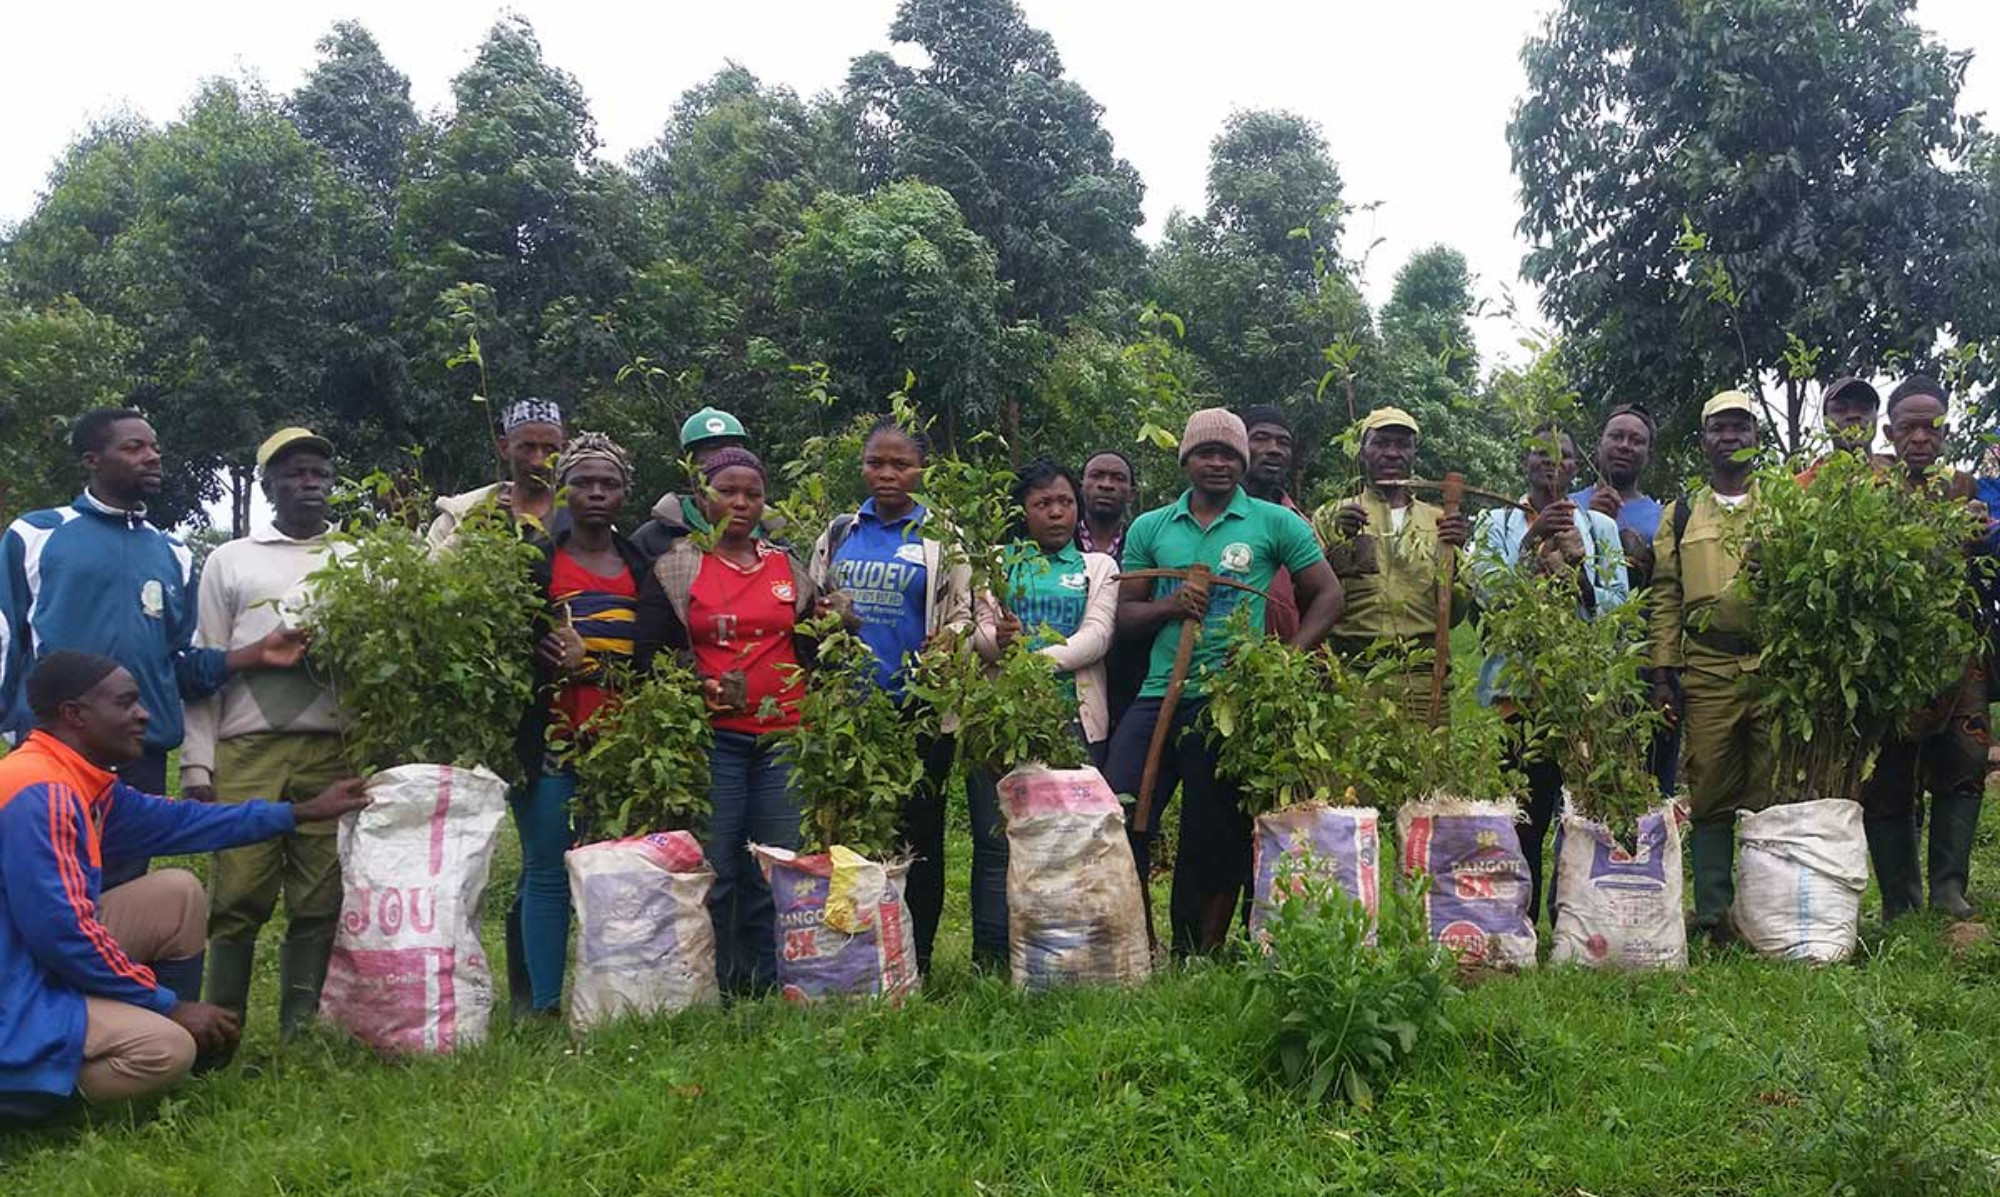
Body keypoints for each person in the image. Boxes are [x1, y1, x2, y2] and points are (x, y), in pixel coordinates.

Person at [0, 652, 368, 1120]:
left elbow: (181, 822)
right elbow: (63, 934)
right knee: (164, 1050)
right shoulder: (42, 792)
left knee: (177, 893)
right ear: (75, 715)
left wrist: (298, 812)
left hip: (24, 954)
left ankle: (160, 1044)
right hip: (13, 983)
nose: (144, 714)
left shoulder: (72, 778)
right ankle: (23, 1093)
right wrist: (170, 1007)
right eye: (127, 703)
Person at [0, 409, 306, 893]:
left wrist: (255, 654)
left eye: (155, 447)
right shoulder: (36, 536)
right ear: (92, 460)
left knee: (122, 892)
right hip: (54, 751)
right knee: (49, 888)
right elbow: (7, 640)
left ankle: (120, 969)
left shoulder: (173, 554)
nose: (152, 456)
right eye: (134, 447)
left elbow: (179, 665)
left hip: (137, 754)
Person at [1105, 409, 1343, 955]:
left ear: (1243, 463)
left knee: (1210, 837)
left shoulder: (1275, 522)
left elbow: (1328, 596)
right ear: (1186, 459)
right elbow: (1124, 616)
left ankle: (1196, 952)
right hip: (1158, 693)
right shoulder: (1151, 528)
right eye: (1206, 453)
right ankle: (1132, 940)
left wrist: (1286, 660)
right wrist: (1170, 605)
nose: (1218, 464)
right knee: (1118, 813)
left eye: (1229, 455)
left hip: (1229, 701)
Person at [180, 428, 351, 1037]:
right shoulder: (232, 559)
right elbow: (206, 663)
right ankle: (221, 1027)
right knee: (238, 892)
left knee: (320, 894)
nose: (309, 483)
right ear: (268, 484)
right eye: (295, 473)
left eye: (319, 474)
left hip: (330, 748)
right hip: (246, 748)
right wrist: (197, 766)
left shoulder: (355, 560)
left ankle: (299, 1030)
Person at [642, 448, 826, 995]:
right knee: (716, 868)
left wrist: (836, 626)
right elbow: (648, 652)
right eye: (728, 490)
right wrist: (691, 684)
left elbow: (814, 642)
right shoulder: (680, 565)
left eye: (752, 492)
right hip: (715, 738)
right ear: (702, 497)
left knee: (775, 868)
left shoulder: (785, 566)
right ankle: (715, 985)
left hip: (784, 736)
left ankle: (769, 985)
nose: (741, 502)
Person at [807, 419, 972, 976]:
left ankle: (915, 959)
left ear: (920, 470)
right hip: (852, 710)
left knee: (920, 835)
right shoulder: (840, 531)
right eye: (876, 462)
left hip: (919, 708)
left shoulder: (940, 536)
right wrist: (826, 620)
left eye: (900, 464)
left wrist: (948, 640)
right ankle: (856, 958)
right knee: (852, 832)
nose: (887, 474)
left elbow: (966, 613)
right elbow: (809, 609)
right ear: (862, 465)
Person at [512, 433, 658, 1016]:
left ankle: (609, 997)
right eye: (584, 482)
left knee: (613, 873)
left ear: (625, 492)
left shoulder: (642, 564)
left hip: (624, 742)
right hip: (550, 738)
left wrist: (596, 664)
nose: (596, 493)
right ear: (563, 489)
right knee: (547, 870)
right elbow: (510, 645)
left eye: (609, 483)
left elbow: (658, 656)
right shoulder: (535, 559)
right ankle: (545, 1002)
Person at [1474, 426, 1628, 925]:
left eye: (1563, 455)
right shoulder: (1495, 523)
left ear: (1575, 468)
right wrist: (1531, 545)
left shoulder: (1599, 527)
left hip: (1582, 691)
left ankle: (1575, 921)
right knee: (1524, 813)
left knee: (1579, 808)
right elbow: (1488, 599)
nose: (1551, 463)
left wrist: (1579, 576)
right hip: (1520, 692)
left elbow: (1617, 607)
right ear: (1524, 461)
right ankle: (1521, 920)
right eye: (1541, 453)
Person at [1861, 376, 1991, 920]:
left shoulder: (1965, 489)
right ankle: (1899, 899)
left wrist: (1983, 537)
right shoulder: (1868, 487)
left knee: (1964, 766)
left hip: (1957, 656)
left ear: (1945, 431)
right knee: (1887, 777)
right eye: (1908, 427)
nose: (1920, 437)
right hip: (1891, 658)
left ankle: (1947, 888)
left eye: (1931, 427)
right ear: (1889, 433)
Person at [1650, 390, 1768, 945]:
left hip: (1774, 665)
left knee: (1772, 789)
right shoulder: (1679, 515)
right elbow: (1667, 596)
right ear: (1704, 442)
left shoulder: (1785, 507)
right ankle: (1716, 913)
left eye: (1741, 427)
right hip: (1708, 667)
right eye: (1720, 428)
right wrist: (1662, 673)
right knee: (1712, 786)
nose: (1731, 436)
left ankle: (1766, 907)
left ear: (1756, 437)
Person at [1312, 407, 1472, 723]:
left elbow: (1455, 613)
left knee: (1426, 769)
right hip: (1353, 674)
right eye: (1381, 443)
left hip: (1424, 675)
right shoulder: (1333, 515)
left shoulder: (1440, 520)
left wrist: (1454, 558)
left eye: (1402, 444)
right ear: (1363, 451)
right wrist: (1340, 547)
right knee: (1352, 772)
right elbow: (1311, 594)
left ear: (1414, 453)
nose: (1392, 453)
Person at [974, 459, 1121, 765]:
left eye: (1066, 502)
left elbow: (1097, 636)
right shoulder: (995, 562)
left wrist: (1033, 663)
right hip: (1001, 714)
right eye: (1042, 503)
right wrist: (999, 641)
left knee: (1071, 813)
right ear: (1022, 511)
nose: (1056, 512)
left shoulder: (1098, 566)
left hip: (1074, 717)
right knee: (999, 812)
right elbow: (979, 631)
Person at [1570, 404, 1678, 796]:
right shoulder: (1569, 505)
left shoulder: (1662, 516)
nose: (1625, 446)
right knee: (1583, 781)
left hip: (1641, 664)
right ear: (1599, 444)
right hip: (1577, 663)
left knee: (1647, 776)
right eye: (1617, 436)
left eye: (1637, 440)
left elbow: (1667, 589)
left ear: (1648, 453)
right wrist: (1591, 526)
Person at [427, 398, 568, 550]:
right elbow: (427, 571)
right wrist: (464, 532)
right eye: (527, 448)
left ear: (564, 451)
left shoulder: (577, 516)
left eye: (550, 450)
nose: (538, 461)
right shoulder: (460, 513)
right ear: (504, 448)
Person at [1077, 448, 1146, 729]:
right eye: (1097, 476)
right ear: (1082, 486)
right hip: (1071, 677)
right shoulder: (1057, 543)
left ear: (1131, 492)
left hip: (1130, 681)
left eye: (1117, 478)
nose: (1106, 484)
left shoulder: (1143, 546)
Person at [1239, 405, 1321, 641]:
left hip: (1282, 664)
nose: (1274, 449)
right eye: (1260, 438)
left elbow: (1318, 598)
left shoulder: (1300, 523)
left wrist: (1294, 658)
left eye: (1283, 442)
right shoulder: (1210, 514)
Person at [631, 406, 754, 558]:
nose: (724, 469)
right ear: (690, 467)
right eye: (710, 461)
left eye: (733, 458)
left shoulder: (769, 531)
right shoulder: (653, 538)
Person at [1797, 377, 1885, 485]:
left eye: (1863, 408)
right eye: (1840, 409)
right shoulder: (1800, 487)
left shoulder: (1901, 480)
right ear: (1826, 421)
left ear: (1877, 417)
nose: (1853, 415)